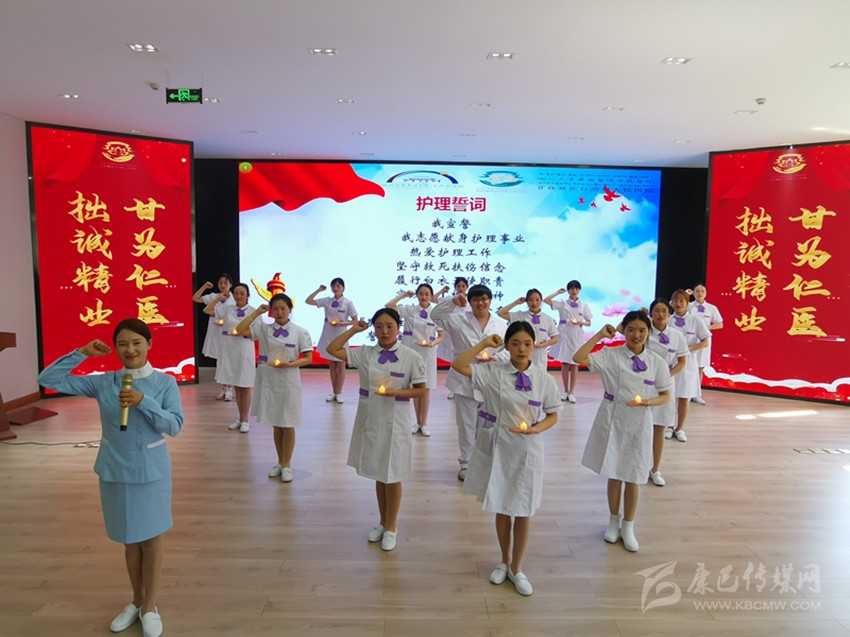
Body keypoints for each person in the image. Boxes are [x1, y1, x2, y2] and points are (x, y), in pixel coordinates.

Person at [37, 318, 183, 637]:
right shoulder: (105, 382)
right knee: (129, 539)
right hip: (114, 469)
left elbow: (174, 426)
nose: (130, 349)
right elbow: (47, 379)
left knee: (151, 539)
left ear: (149, 345)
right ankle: (136, 600)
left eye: (136, 343)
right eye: (122, 344)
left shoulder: (164, 383)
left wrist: (144, 402)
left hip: (151, 471)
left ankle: (150, 606)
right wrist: (82, 353)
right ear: (115, 347)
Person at [452, 322, 560, 596]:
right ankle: (504, 560)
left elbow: (552, 415)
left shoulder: (544, 380)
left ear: (534, 345)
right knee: (502, 505)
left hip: (528, 449)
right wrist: (484, 344)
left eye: (527, 343)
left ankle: (517, 568)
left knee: (523, 509)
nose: (522, 349)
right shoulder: (493, 372)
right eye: (515, 343)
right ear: (506, 346)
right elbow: (459, 365)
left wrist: (537, 429)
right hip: (498, 447)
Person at [326, 308, 427, 551]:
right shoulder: (365, 353)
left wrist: (396, 392)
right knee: (379, 473)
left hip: (396, 420)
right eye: (379, 326)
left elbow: (420, 391)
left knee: (393, 473)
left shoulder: (411, 357)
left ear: (398, 328)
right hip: (370, 418)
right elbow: (332, 349)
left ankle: (392, 526)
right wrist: (353, 329)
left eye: (390, 326)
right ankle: (382, 521)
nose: (384, 331)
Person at [573, 312, 672, 552]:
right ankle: (613, 520)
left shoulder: (656, 362)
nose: (636, 335)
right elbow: (579, 357)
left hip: (640, 420)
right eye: (631, 330)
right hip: (612, 417)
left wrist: (649, 403)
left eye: (642, 330)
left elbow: (665, 395)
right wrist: (599, 335)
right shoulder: (611, 355)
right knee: (614, 472)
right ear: (623, 330)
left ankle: (628, 526)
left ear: (648, 332)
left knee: (634, 474)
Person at [431, 284, 508, 481]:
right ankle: (466, 463)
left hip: (490, 378)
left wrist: (496, 358)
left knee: (486, 425)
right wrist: (452, 302)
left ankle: (482, 462)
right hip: (463, 378)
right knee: (466, 425)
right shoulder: (458, 319)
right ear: (470, 302)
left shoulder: (501, 324)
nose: (480, 303)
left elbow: (508, 349)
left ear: (490, 300)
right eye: (476, 299)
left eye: (484, 299)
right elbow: (435, 315)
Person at [235, 293, 313, 482]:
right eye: (275, 309)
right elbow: (240, 329)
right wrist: (256, 313)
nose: (279, 312)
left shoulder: (300, 332)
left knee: (288, 423)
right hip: (269, 380)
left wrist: (289, 365)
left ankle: (287, 464)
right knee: (276, 423)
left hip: (289, 381)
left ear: (290, 310)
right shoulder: (264, 329)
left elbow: (308, 358)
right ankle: (280, 461)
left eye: (283, 308)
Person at [386, 284, 447, 436]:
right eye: (421, 294)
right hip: (411, 353)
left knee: (426, 388)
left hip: (428, 353)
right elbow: (389, 306)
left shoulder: (435, 313)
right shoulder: (410, 310)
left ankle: (424, 423)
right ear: (417, 295)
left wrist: (433, 344)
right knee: (415, 386)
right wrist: (403, 295)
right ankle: (417, 422)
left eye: (426, 294)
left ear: (431, 296)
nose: (423, 297)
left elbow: (441, 336)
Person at [204, 282, 259, 432]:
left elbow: (257, 332)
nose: (239, 296)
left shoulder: (254, 312)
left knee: (245, 385)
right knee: (237, 386)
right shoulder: (227, 309)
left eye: (242, 293)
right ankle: (240, 418)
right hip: (230, 350)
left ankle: (246, 420)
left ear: (247, 295)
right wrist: (219, 298)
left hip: (244, 349)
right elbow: (207, 310)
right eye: (236, 293)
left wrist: (243, 333)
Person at [644, 299, 688, 486]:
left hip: (665, 385)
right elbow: (623, 330)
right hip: (644, 383)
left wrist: (666, 375)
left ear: (669, 314)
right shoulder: (644, 331)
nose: (660, 314)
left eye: (664, 311)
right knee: (641, 426)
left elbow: (682, 361)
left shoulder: (677, 335)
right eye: (656, 311)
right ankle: (639, 466)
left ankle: (655, 469)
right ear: (651, 313)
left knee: (659, 427)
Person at [306, 278, 358, 404]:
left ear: (343, 288)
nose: (336, 288)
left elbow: (355, 321)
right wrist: (319, 290)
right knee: (332, 365)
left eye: (338, 286)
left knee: (340, 364)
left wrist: (342, 323)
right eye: (334, 286)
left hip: (341, 335)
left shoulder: (348, 303)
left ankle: (339, 393)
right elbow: (308, 301)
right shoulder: (327, 300)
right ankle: (334, 392)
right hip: (328, 335)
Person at [667, 289, 710, 442]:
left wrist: (689, 349)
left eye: (681, 301)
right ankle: (669, 426)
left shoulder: (695, 320)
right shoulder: (667, 320)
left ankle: (680, 428)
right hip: (670, 362)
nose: (678, 304)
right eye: (675, 300)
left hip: (688, 362)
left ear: (687, 303)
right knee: (670, 396)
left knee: (684, 397)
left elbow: (705, 341)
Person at [545, 280, 592, 403]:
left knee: (575, 363)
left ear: (579, 290)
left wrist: (580, 322)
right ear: (568, 290)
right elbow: (546, 300)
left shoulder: (583, 305)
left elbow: (589, 322)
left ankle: (572, 392)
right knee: (565, 363)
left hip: (577, 335)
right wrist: (557, 293)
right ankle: (565, 391)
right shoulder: (562, 303)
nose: (574, 291)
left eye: (576, 288)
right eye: (571, 288)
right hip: (565, 333)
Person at [192, 273, 235, 401]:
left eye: (225, 283)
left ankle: (229, 389)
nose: (223, 285)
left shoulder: (234, 300)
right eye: (220, 283)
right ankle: (224, 388)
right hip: (216, 333)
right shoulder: (214, 296)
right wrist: (204, 287)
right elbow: (195, 298)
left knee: (227, 361)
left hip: (228, 333)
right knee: (220, 362)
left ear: (230, 285)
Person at [496, 288, 558, 370]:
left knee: (539, 377)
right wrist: (515, 303)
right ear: (526, 301)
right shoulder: (520, 315)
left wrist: (541, 345)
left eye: (537, 300)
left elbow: (555, 338)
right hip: (522, 355)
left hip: (539, 357)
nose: (534, 303)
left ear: (541, 301)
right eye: (531, 300)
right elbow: (500, 313)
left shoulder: (547, 319)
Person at [687, 283, 724, 405]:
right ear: (693, 293)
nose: (700, 293)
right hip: (690, 339)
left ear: (706, 293)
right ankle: (686, 392)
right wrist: (685, 295)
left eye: (702, 291)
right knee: (688, 366)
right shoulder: (688, 306)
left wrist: (707, 327)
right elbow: (673, 307)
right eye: (697, 291)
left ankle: (697, 394)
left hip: (704, 340)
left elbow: (720, 324)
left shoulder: (711, 308)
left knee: (700, 367)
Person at [435, 277, 471, 399]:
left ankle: (464, 388)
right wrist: (442, 291)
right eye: (458, 286)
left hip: (466, 336)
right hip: (452, 336)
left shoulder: (470, 301)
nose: (461, 288)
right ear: (455, 287)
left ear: (467, 287)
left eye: (463, 286)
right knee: (454, 364)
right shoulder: (449, 299)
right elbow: (433, 300)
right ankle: (453, 390)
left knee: (465, 363)